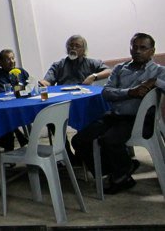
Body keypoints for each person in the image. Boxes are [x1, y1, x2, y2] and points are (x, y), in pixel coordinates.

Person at [71, 33, 165, 194]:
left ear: (152, 51)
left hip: (138, 120)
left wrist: (155, 81)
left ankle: (121, 175)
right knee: (79, 140)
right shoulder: (120, 68)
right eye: (134, 47)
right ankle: (119, 171)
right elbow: (106, 93)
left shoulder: (158, 71)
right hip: (113, 116)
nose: (138, 51)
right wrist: (130, 92)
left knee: (109, 140)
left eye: (143, 48)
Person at [39, 35, 111, 86]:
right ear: (67, 48)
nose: (73, 48)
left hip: (84, 96)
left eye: (77, 46)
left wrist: (93, 76)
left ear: (83, 50)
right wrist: (42, 84)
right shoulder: (58, 65)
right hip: (65, 98)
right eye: (71, 45)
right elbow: (46, 82)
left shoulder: (91, 63)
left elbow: (109, 71)